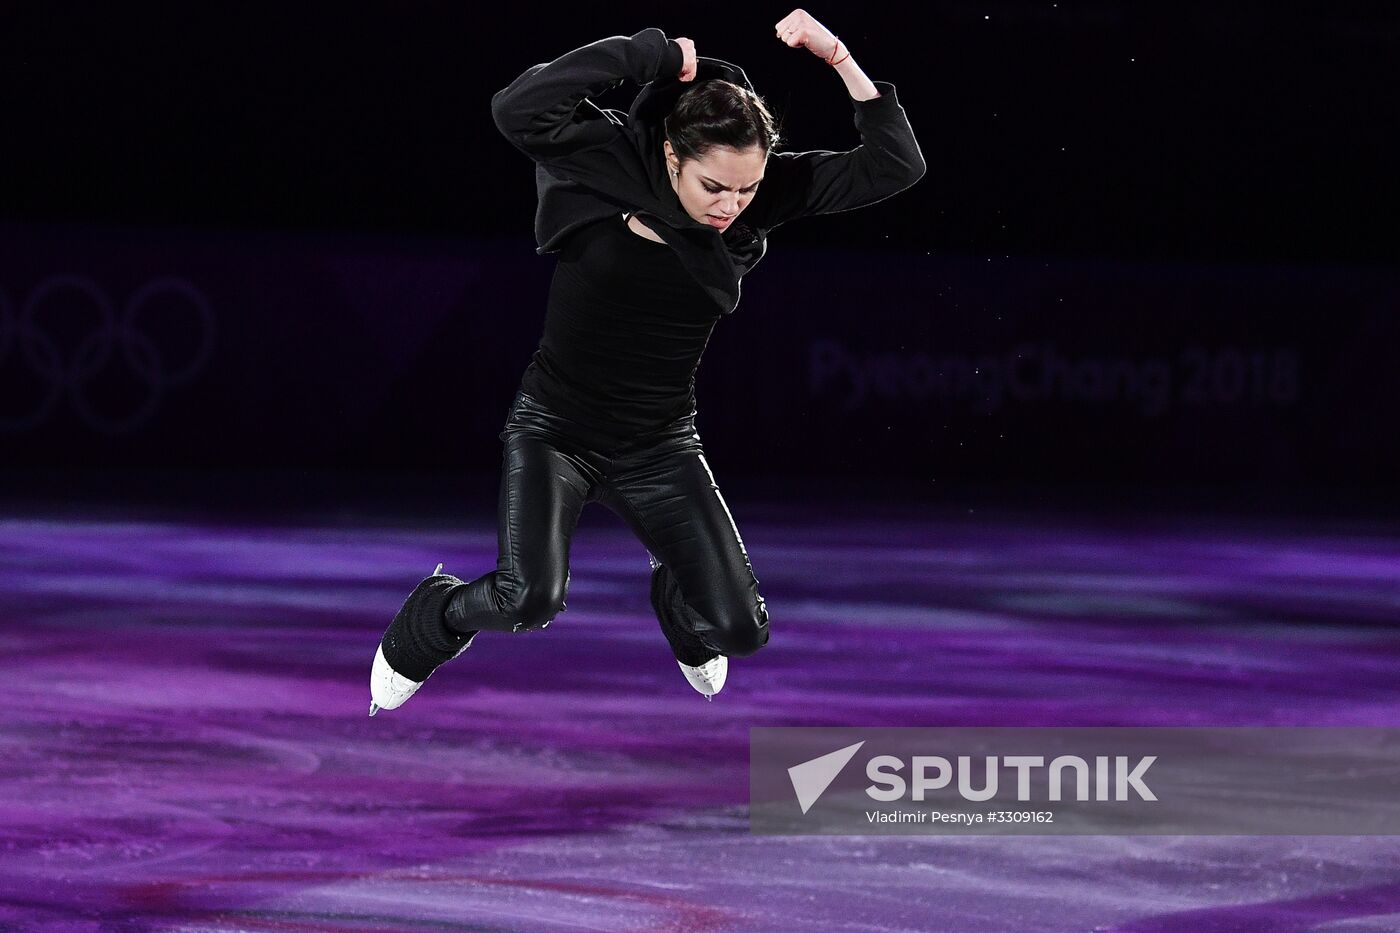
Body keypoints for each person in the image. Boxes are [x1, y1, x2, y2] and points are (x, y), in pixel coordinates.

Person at [369, 10, 925, 715]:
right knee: (528, 598)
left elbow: (896, 166)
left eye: (746, 189)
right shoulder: (612, 158)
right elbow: (517, 107)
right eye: (713, 188)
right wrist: (648, 54)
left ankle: (674, 593)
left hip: (660, 442)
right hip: (555, 431)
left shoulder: (759, 198)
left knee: (737, 629)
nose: (731, 206)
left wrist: (840, 55)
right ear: (671, 157)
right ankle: (430, 622)